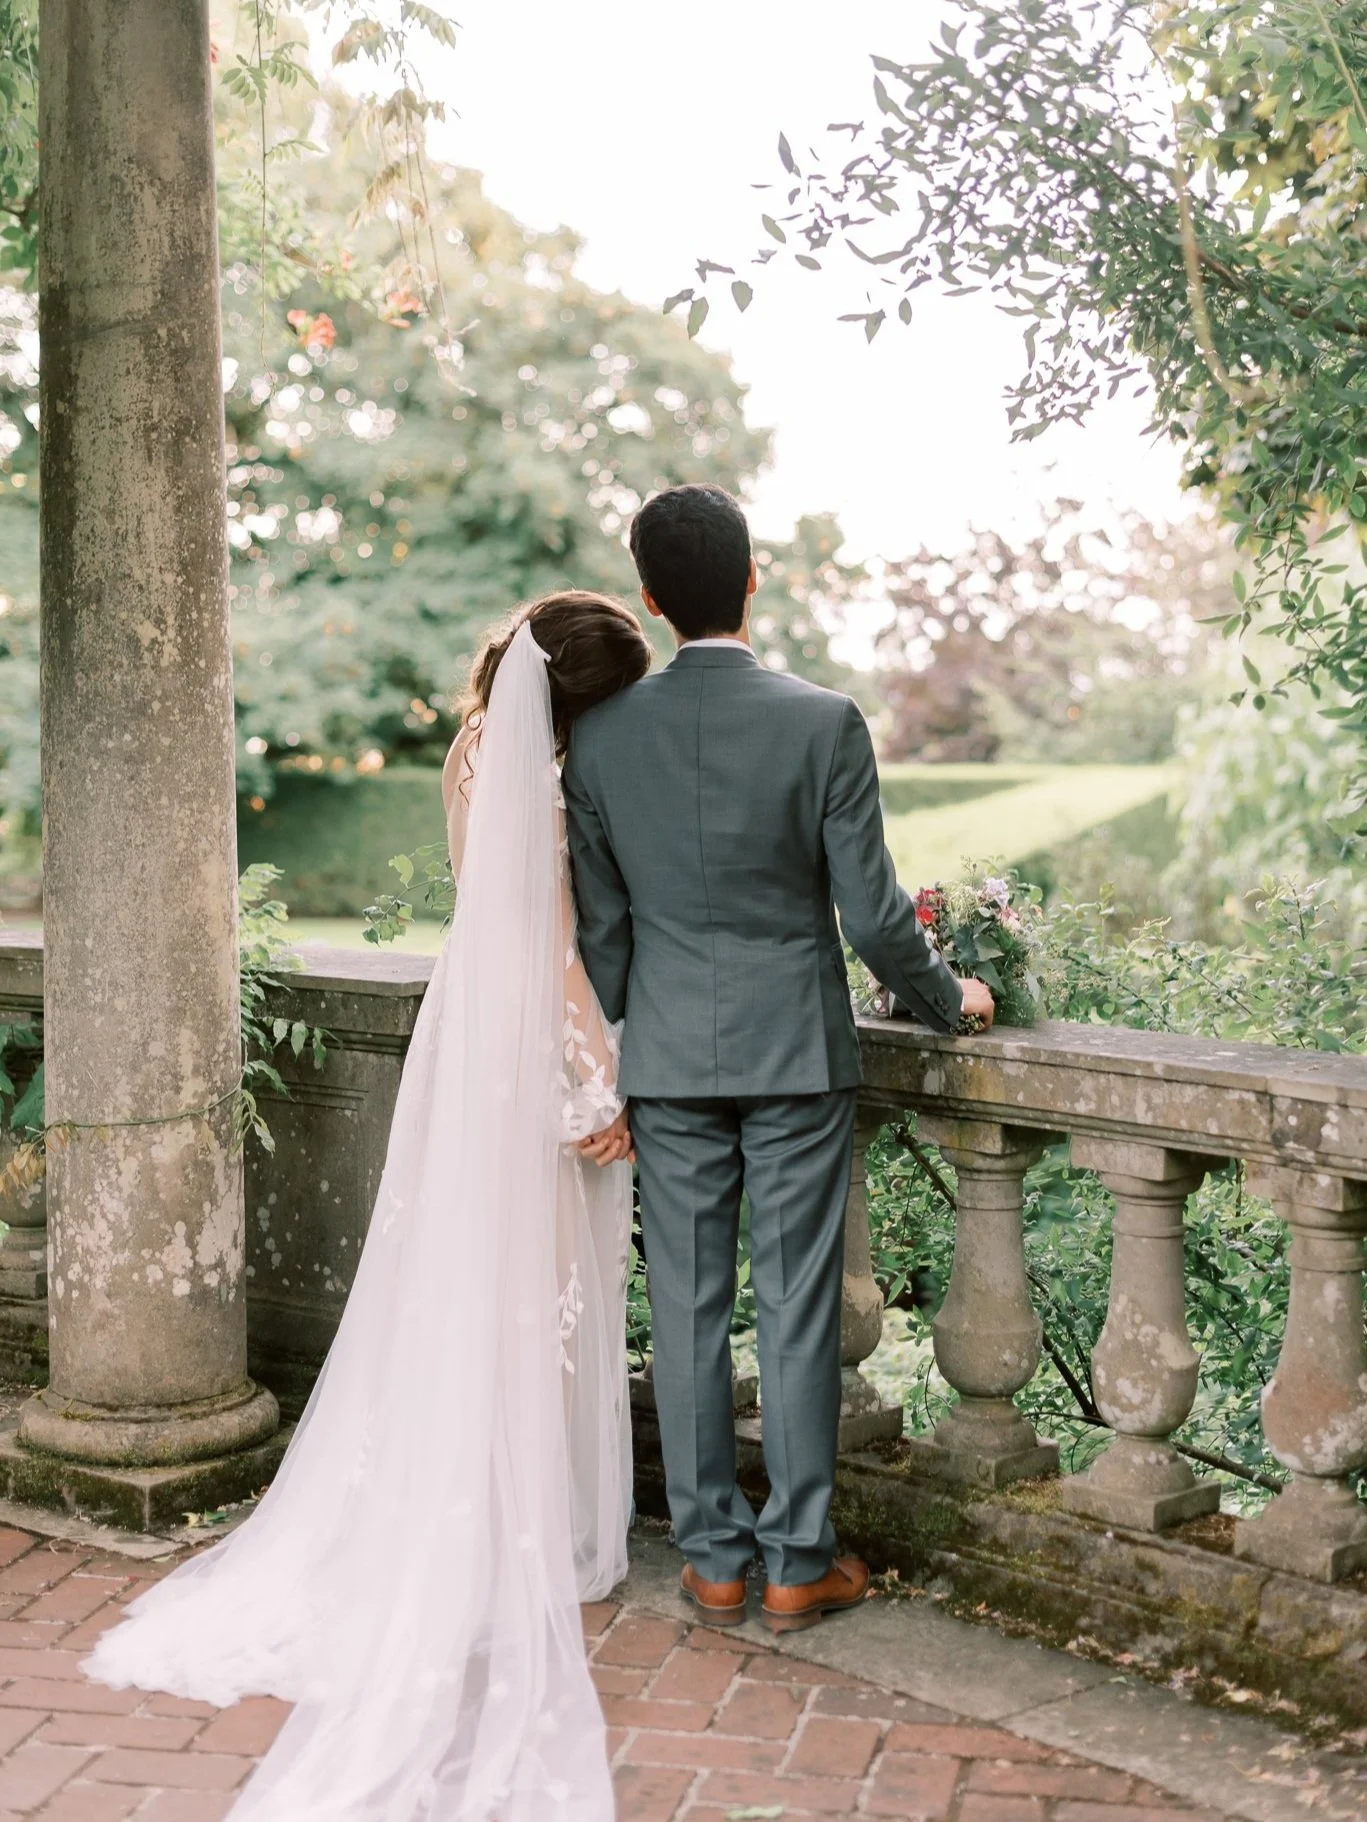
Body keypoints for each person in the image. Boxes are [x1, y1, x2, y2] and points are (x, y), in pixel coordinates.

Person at [83, 592, 652, 1822]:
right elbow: (555, 946)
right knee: (533, 1276)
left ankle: (472, 1500)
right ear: (584, 700)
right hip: (523, 1036)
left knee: (468, 1275)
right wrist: (600, 1072)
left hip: (468, 1024)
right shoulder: (539, 777)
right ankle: (512, 1521)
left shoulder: (472, 749)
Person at [563, 483, 993, 1636]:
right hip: (796, 1054)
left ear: (651, 599)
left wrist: (618, 1057)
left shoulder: (598, 741)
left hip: (667, 1061)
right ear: (752, 578)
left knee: (686, 1306)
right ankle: (799, 1561)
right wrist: (948, 1000)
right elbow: (875, 917)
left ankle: (711, 1558)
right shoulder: (823, 722)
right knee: (797, 1304)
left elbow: (604, 934)